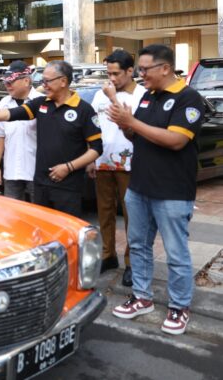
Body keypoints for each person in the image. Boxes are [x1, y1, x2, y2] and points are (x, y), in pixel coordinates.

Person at [108, 44, 204, 336]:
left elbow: (176, 141)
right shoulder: (149, 97)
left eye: (145, 70)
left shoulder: (189, 99)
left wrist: (132, 122)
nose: (141, 75)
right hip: (140, 187)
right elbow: (138, 136)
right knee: (138, 245)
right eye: (140, 70)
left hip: (172, 191)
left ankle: (179, 306)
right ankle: (142, 297)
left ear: (165, 68)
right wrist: (126, 125)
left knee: (176, 253)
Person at [0, 60, 102, 217]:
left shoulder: (84, 109)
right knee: (40, 227)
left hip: (68, 186)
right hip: (41, 185)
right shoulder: (41, 104)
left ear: (63, 81)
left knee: (66, 231)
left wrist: (68, 167)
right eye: (42, 81)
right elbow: (10, 114)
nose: (43, 85)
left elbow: (97, 148)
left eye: (47, 81)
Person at [88, 49, 146, 287]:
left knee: (132, 215)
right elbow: (93, 127)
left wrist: (113, 96)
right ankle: (107, 254)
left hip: (130, 164)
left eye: (116, 73)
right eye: (108, 73)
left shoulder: (141, 95)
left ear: (130, 71)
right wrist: (90, 157)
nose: (111, 78)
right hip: (102, 161)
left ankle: (132, 262)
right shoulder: (101, 95)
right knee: (105, 211)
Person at [0, 61, 44, 201]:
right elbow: (0, 136)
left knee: (38, 212)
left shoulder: (41, 101)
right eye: (6, 82)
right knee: (12, 214)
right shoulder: (4, 103)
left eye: (11, 82)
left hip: (36, 169)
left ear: (26, 80)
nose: (7, 85)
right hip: (12, 169)